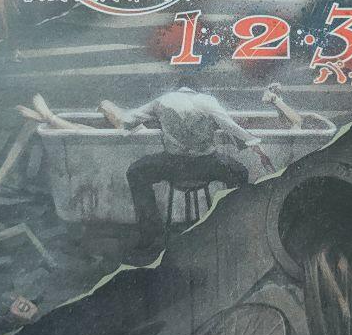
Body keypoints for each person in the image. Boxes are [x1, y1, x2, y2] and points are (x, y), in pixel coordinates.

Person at [100, 87, 274, 248]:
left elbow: (128, 120)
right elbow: (230, 126)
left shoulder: (163, 100)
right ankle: (232, 229)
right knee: (240, 173)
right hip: (206, 164)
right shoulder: (207, 100)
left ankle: (150, 232)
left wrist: (108, 107)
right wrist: (257, 147)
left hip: (173, 165)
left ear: (179, 89)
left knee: (135, 171)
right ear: (193, 90)